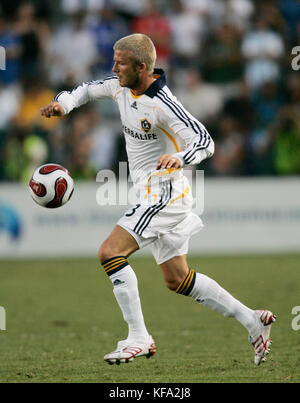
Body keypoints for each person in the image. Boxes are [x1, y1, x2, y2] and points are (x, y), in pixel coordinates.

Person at [40, 33, 276, 366]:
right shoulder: (121, 86)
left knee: (110, 252)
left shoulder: (163, 103)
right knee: (177, 279)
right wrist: (63, 104)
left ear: (141, 66)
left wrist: (179, 158)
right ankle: (252, 320)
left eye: (120, 62)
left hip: (164, 193)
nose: (114, 67)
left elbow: (204, 140)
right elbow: (87, 89)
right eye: (114, 60)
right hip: (154, 193)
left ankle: (138, 337)